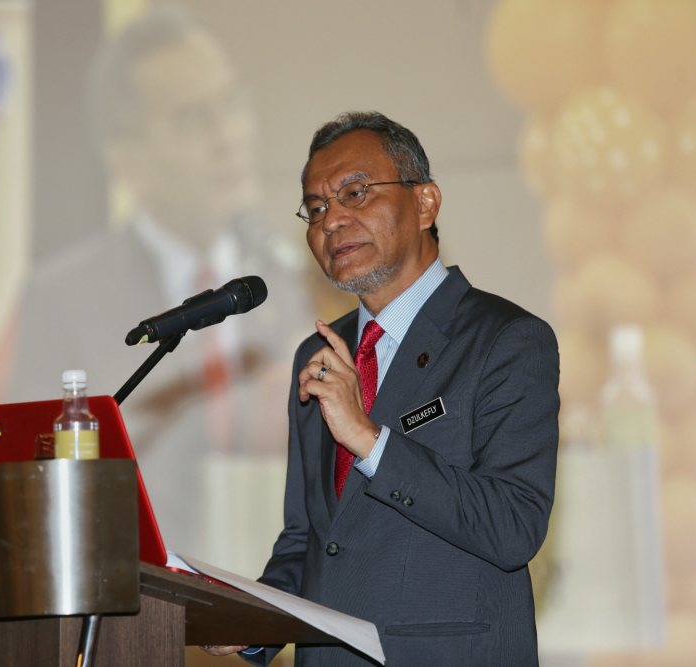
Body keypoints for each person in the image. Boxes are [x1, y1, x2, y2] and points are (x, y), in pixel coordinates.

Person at [204, 112, 560, 665]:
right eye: (316, 208)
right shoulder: (320, 355)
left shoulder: (508, 340)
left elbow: (513, 527)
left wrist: (370, 439)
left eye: (355, 192)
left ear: (425, 204)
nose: (331, 221)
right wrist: (254, 622)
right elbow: (311, 541)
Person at [8, 8, 310, 569]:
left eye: (233, 104)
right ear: (129, 160)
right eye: (197, 119)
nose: (230, 137)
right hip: (135, 621)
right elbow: (23, 490)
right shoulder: (64, 301)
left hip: (279, 623)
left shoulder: (298, 283)